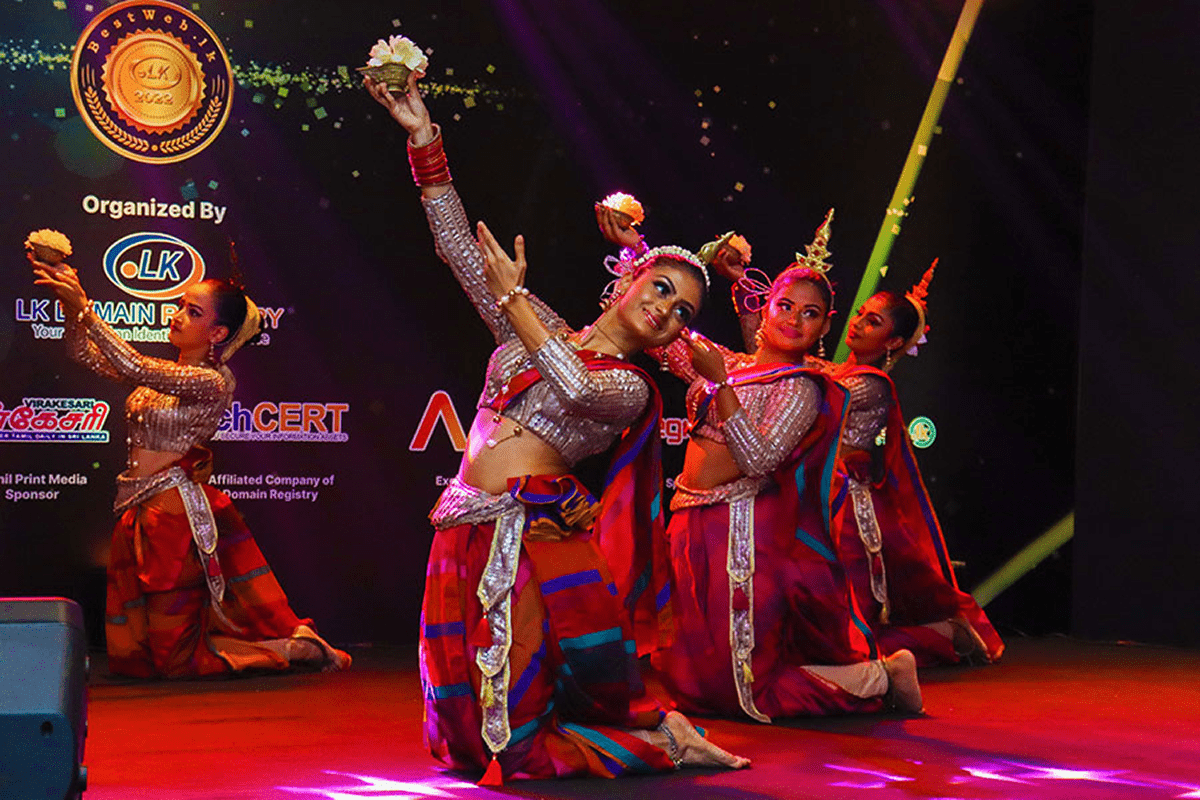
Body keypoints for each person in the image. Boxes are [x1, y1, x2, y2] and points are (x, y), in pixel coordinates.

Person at [365, 70, 748, 783]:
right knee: (462, 738)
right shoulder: (538, 322)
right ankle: (643, 732)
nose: (667, 309)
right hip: (462, 521)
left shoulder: (631, 389)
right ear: (627, 281)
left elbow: (573, 383)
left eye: (684, 312)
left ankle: (665, 741)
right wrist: (423, 141)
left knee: (516, 747)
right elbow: (460, 251)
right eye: (661, 288)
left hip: (532, 537)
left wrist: (514, 299)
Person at [650, 212, 924, 722]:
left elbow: (757, 459)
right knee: (693, 684)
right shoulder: (736, 365)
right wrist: (635, 252)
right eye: (785, 306)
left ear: (824, 326)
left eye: (811, 313)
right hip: (688, 523)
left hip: (740, 535)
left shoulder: (803, 387)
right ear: (767, 308)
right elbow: (659, 334)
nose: (794, 320)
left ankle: (881, 677)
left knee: (744, 689)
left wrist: (721, 386)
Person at [29, 258, 350, 678]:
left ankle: (295, 649)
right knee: (140, 659)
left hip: (172, 517)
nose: (178, 315)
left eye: (193, 312)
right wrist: (70, 306)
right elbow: (82, 354)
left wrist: (86, 308)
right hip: (137, 510)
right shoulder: (166, 375)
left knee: (176, 662)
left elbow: (132, 366)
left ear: (217, 333)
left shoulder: (211, 381)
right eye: (180, 306)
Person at [832, 262, 1004, 665]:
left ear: (892, 342)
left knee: (845, 637)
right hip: (817, 500)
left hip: (843, 510)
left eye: (873, 322)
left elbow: (810, 401)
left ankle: (944, 635)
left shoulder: (870, 384)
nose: (857, 323)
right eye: (860, 314)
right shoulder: (834, 372)